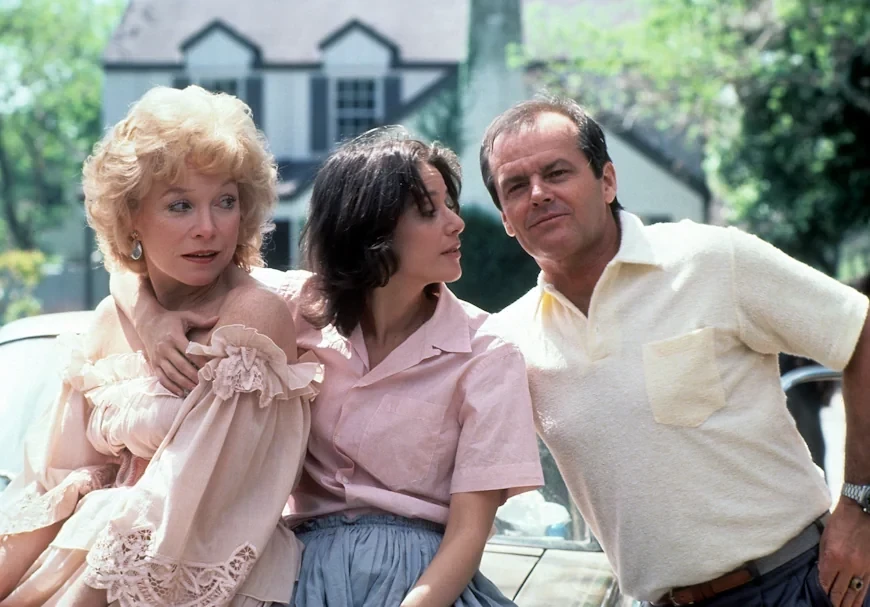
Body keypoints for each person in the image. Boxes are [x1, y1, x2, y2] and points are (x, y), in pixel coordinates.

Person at [109, 129, 544, 606]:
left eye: (450, 205)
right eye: (428, 211)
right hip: (293, 575)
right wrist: (150, 319)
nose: (456, 223)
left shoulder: (487, 352)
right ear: (369, 227)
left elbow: (468, 534)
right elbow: (139, 266)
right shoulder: (288, 308)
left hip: (426, 585)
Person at [477, 94, 870, 607]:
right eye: (515, 186)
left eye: (557, 173)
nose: (538, 194)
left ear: (607, 181)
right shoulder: (508, 342)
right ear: (506, 218)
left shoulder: (711, 258)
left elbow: (861, 333)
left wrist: (859, 506)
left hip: (805, 582)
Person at [0, 85, 321, 607]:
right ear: (131, 218)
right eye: (180, 205)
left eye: (225, 202)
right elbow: (56, 489)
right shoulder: (112, 319)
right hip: (91, 561)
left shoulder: (250, 318)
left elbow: (192, 510)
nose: (207, 228)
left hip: (203, 578)